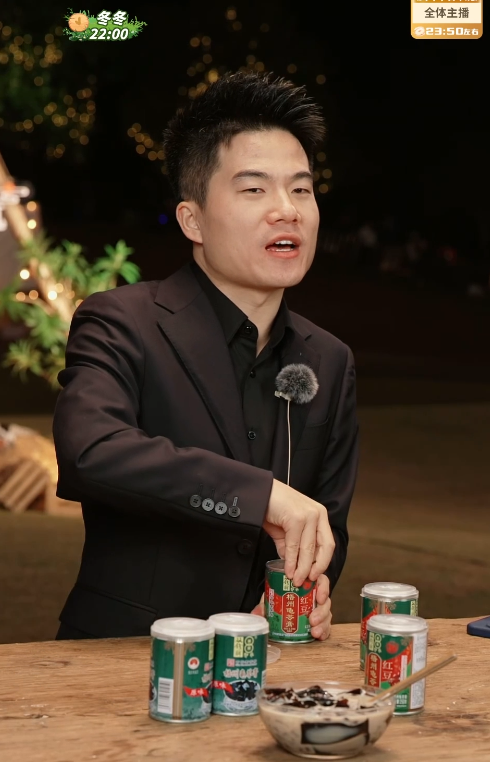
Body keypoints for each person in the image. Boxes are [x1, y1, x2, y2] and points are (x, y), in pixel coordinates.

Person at [53, 72, 359, 640]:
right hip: (122, 656)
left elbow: (326, 524)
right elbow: (90, 451)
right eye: (254, 189)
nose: (287, 210)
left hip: (265, 663)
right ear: (192, 219)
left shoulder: (330, 360)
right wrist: (260, 497)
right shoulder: (123, 320)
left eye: (301, 189)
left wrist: (312, 588)